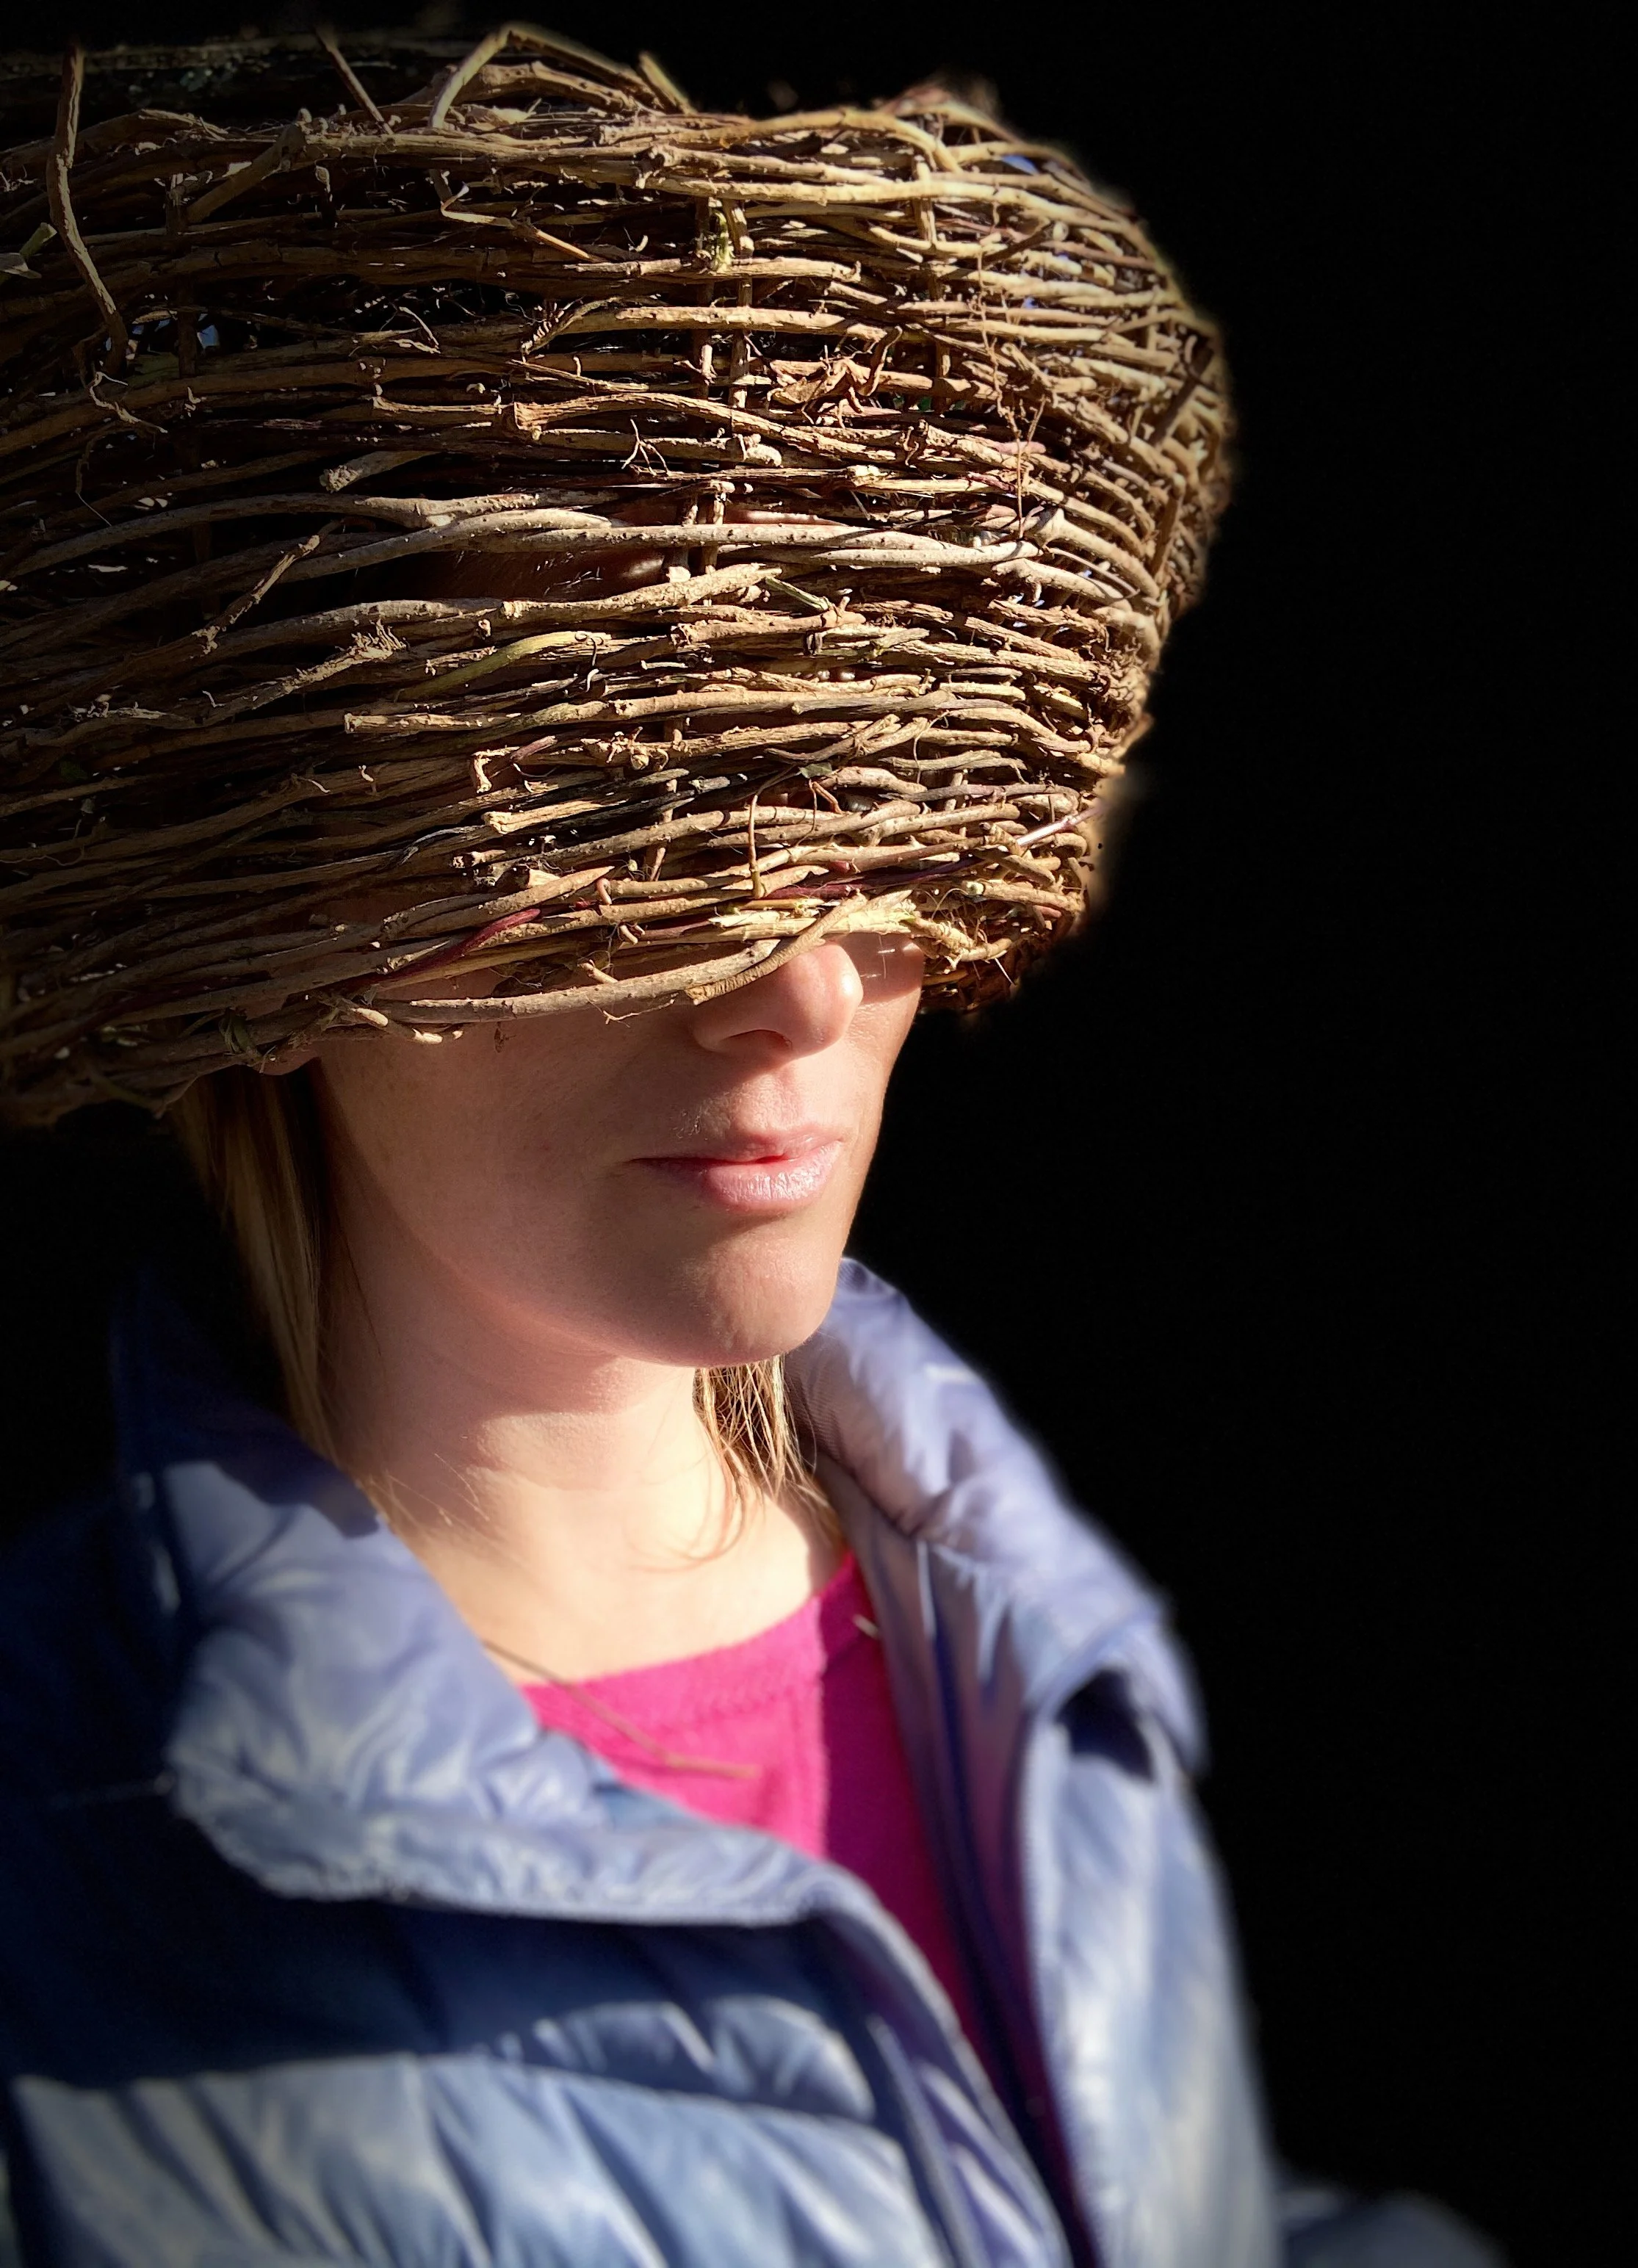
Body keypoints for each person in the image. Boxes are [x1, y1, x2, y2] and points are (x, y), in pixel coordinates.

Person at [0, 29, 1502, 2267]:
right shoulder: (64, 1874)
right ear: (291, 868)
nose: (798, 986)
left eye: (875, 806)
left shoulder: (999, 1602)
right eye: (616, 823)